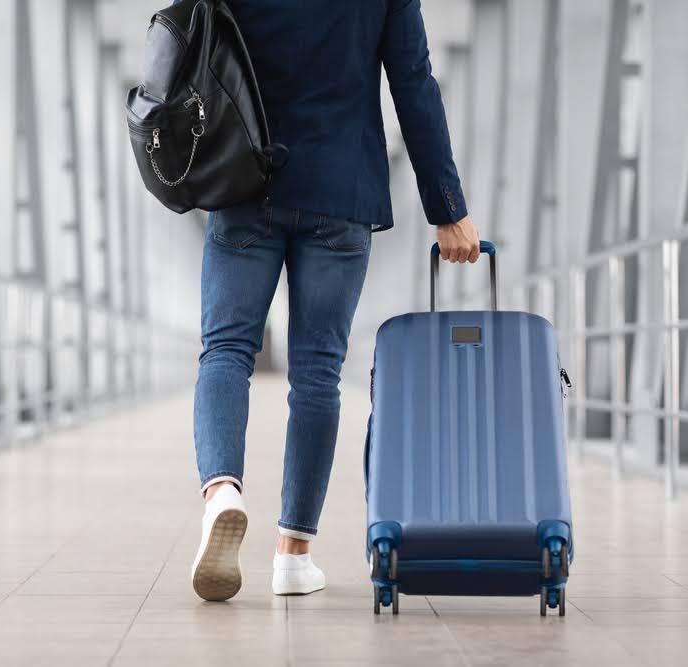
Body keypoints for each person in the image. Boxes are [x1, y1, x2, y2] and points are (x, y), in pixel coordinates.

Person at [190, 0, 481, 602]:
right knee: (317, 372)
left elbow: (187, 37)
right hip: (340, 189)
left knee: (225, 350)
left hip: (244, 177)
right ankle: (294, 555)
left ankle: (222, 493)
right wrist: (447, 209)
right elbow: (413, 83)